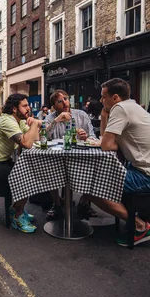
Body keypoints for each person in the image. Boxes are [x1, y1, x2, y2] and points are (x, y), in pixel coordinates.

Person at [84, 78, 150, 247]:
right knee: (106, 176)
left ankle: (140, 226)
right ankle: (147, 212)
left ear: (115, 97)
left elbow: (106, 145)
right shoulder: (132, 106)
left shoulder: (120, 109)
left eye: (104, 97)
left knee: (90, 187)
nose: (102, 100)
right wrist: (104, 115)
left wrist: (111, 143)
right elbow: (106, 141)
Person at [0, 94, 41, 233]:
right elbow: (26, 143)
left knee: (30, 171)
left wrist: (34, 125)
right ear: (14, 109)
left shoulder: (18, 121)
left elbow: (35, 139)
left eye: (27, 105)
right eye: (24, 106)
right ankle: (16, 217)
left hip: (0, 162)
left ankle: (16, 209)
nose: (28, 108)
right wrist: (35, 123)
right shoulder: (7, 121)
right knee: (27, 175)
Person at [44, 89, 99, 220]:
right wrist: (56, 120)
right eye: (59, 101)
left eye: (66, 99)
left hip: (80, 157)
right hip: (58, 158)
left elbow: (92, 136)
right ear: (53, 106)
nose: (64, 103)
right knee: (48, 170)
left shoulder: (81, 115)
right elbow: (43, 136)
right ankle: (57, 204)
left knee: (97, 169)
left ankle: (84, 202)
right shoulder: (50, 118)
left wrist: (85, 137)